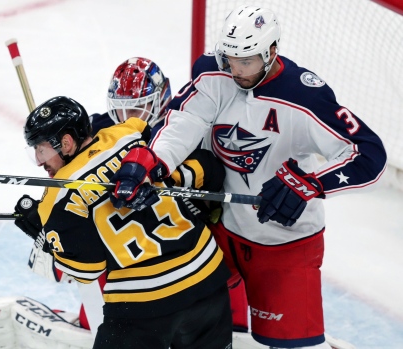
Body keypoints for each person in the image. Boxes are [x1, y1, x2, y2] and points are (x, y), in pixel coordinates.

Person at [110, 5, 387, 349]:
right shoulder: (214, 73)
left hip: (285, 246)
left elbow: (368, 154)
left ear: (271, 52)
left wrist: (309, 182)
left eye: (246, 61)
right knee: (176, 303)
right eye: (230, 59)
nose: (235, 70)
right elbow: (185, 122)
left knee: (292, 345)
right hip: (223, 231)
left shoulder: (304, 96)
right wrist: (148, 162)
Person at [15, 96, 232, 348]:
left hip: (143, 304)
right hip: (207, 278)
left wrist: (47, 236)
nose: (40, 161)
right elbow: (203, 165)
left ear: (66, 142)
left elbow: (86, 271)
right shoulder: (131, 132)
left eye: (41, 149)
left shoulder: (57, 196)